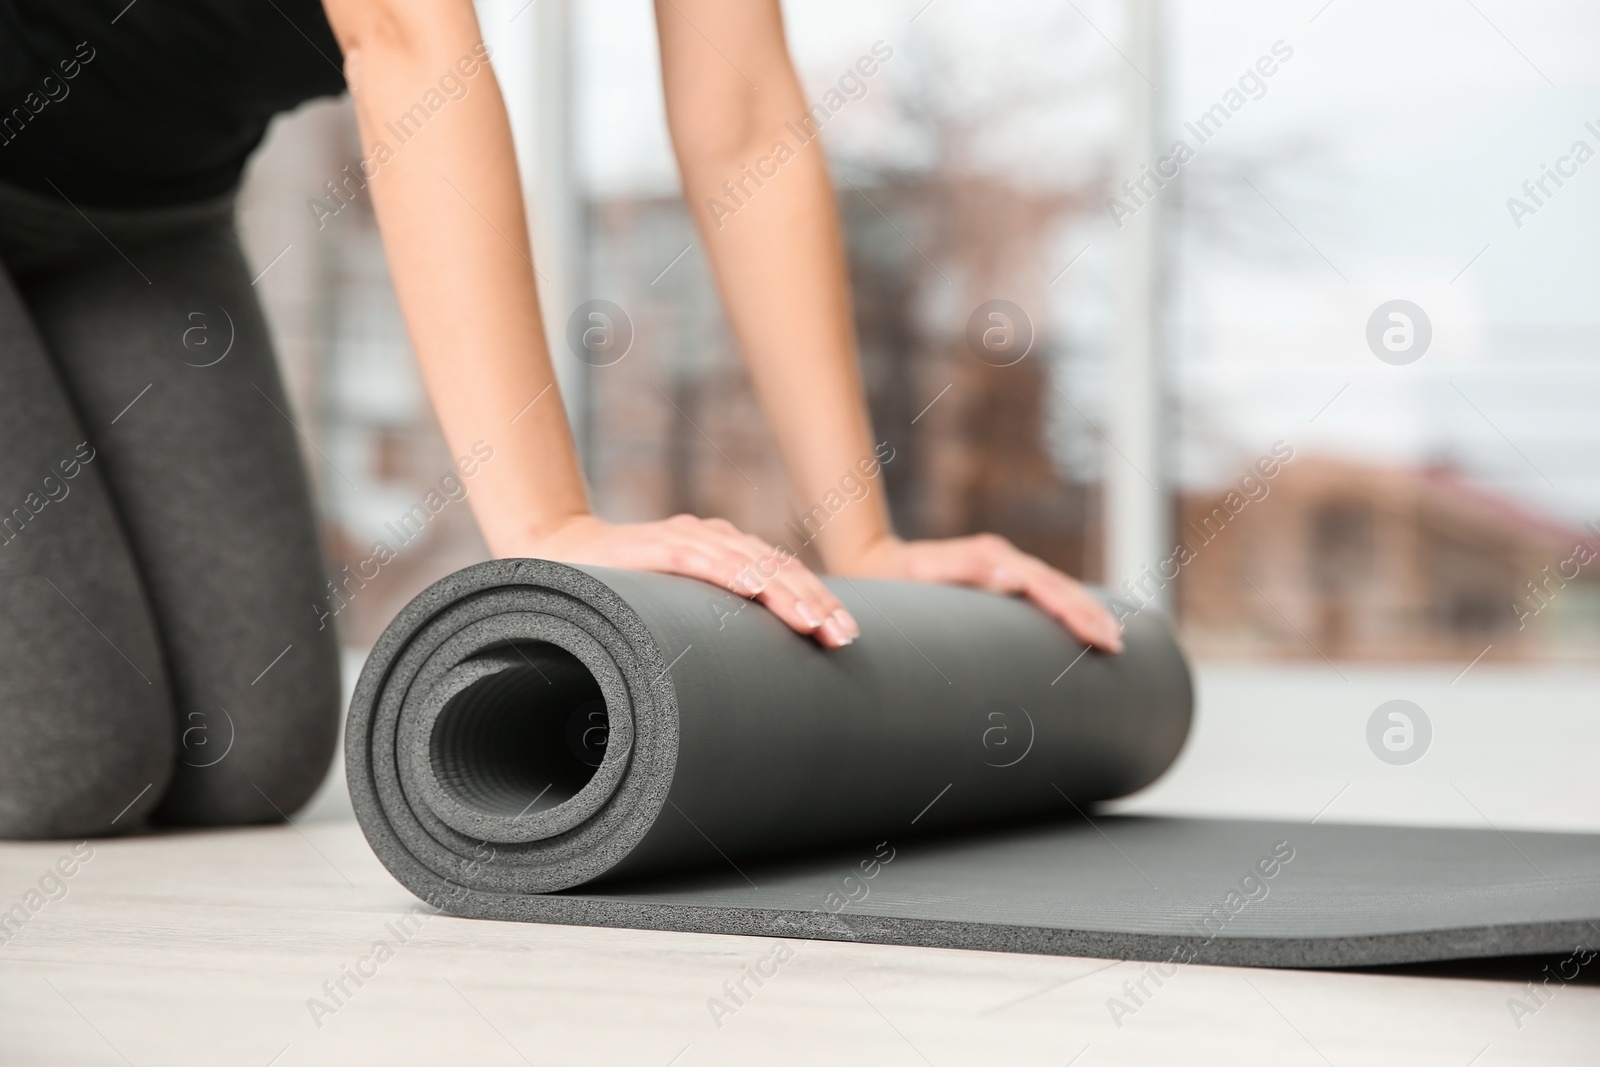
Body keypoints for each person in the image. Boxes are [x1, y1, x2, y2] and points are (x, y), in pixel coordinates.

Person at [0, 0, 1120, 840]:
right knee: (67, 765)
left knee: (245, 757)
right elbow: (408, 45)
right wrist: (548, 523)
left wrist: (862, 537)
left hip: (144, 208)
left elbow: (741, 121)